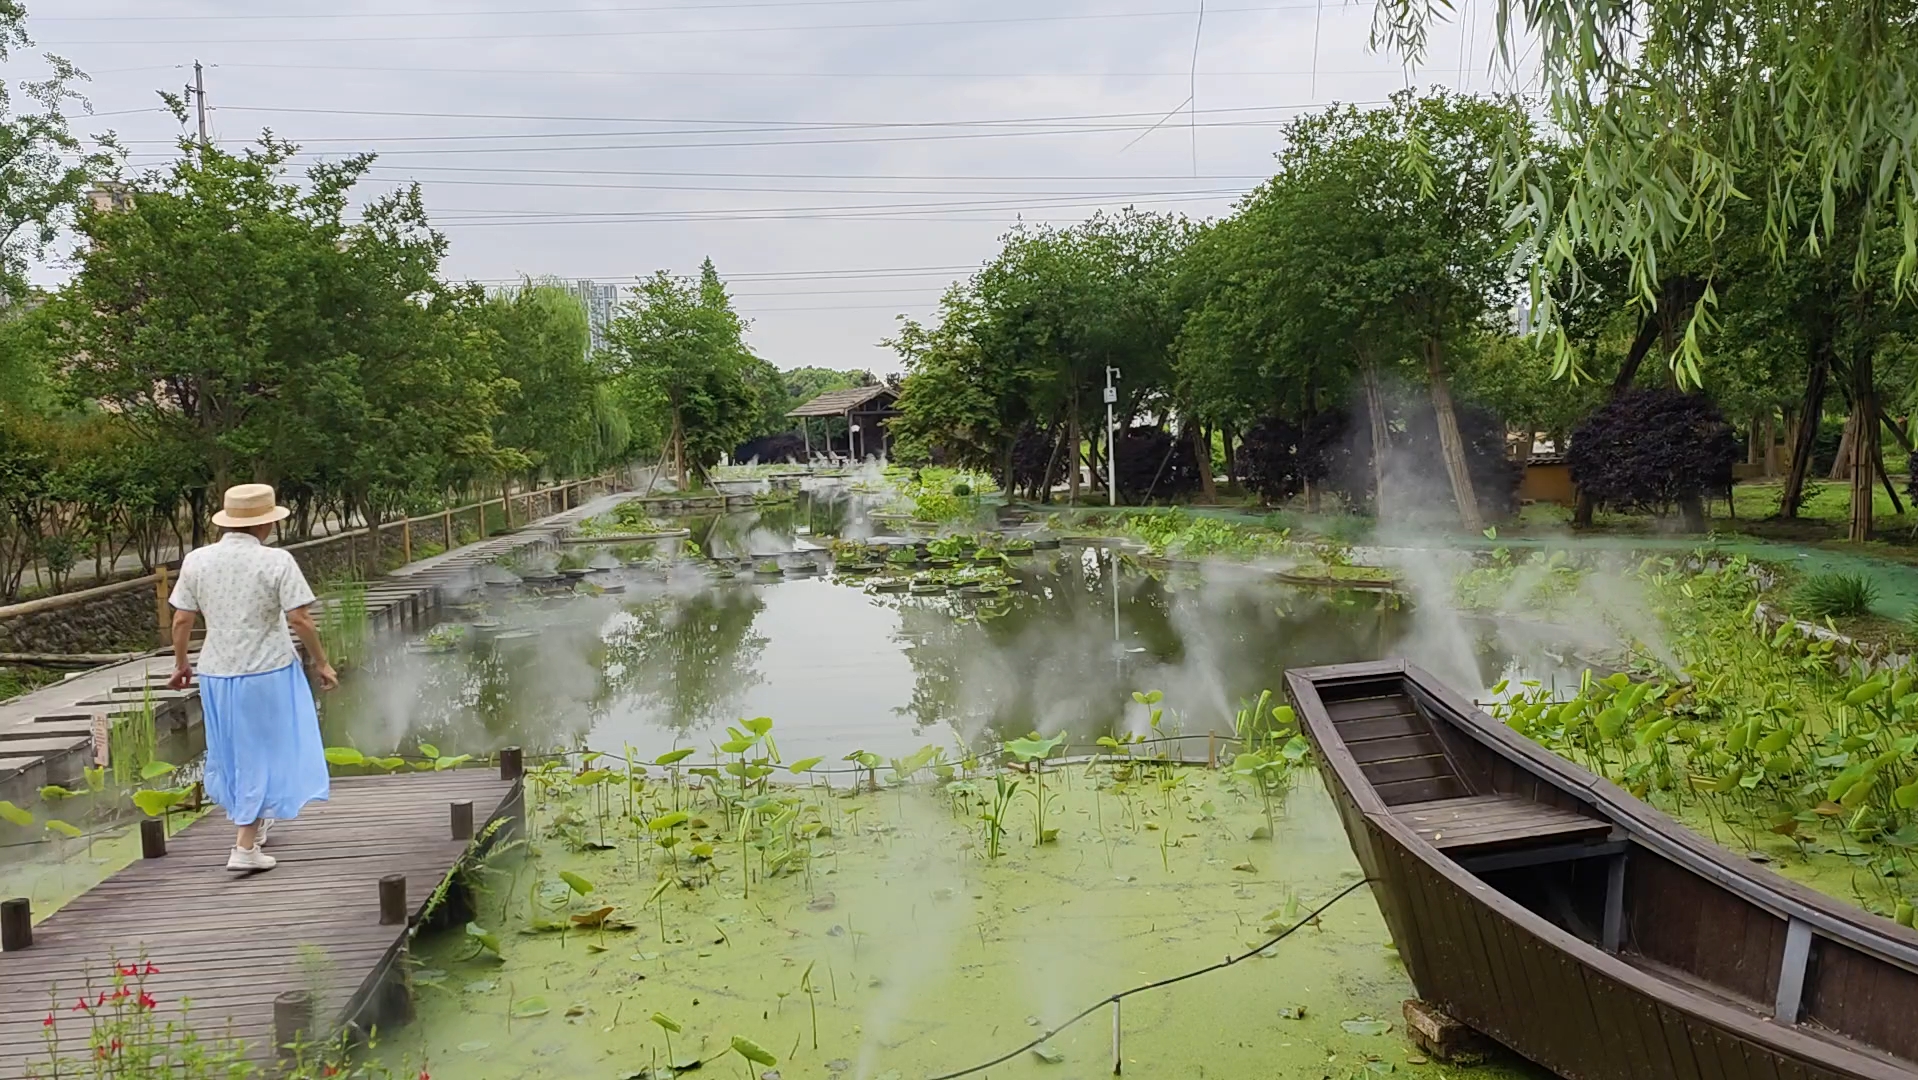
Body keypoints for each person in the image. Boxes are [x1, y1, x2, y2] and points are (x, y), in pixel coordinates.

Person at [167, 483, 338, 873]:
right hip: (267, 670)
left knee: (233, 749)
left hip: (216, 671)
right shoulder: (275, 562)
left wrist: (181, 664)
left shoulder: (197, 560)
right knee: (264, 749)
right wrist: (322, 662)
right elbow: (299, 618)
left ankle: (256, 824)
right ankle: (244, 846)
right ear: (265, 525)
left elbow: (181, 618)